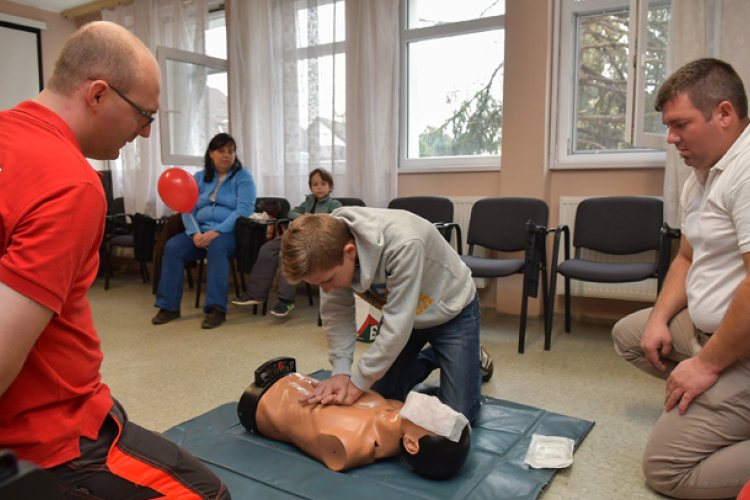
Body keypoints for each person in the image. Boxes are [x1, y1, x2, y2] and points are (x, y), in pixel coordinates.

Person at [0, 21, 230, 500]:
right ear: (98, 95)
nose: (145, 134)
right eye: (144, 116)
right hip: (55, 438)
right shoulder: (71, 183)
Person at [612, 58, 750, 499]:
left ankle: (720, 395)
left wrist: (707, 366)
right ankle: (714, 401)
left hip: (741, 349)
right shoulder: (701, 175)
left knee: (666, 469)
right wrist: (658, 318)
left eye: (680, 124)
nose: (671, 137)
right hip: (707, 330)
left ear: (724, 114)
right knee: (632, 335)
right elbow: (687, 257)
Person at [280, 207, 493, 426]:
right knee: (382, 394)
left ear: (350, 251)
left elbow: (397, 327)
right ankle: (437, 356)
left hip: (452, 311)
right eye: (317, 285)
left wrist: (358, 382)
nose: (325, 290)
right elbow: (337, 316)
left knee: (457, 420)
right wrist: (341, 372)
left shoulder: (404, 243)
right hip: (402, 315)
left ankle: (469, 354)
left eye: (327, 281)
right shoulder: (327, 247)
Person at [238, 364, 471, 478]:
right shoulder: (398, 410)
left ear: (411, 444)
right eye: (446, 410)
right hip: (295, 379)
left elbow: (295, 427)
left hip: (261, 403)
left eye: (436, 418)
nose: (437, 405)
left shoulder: (352, 444)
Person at [152, 132, 256, 329]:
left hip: (229, 234)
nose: (226, 155)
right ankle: (169, 307)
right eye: (221, 151)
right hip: (200, 233)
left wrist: (216, 232)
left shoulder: (243, 176)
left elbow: (244, 210)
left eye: (231, 151)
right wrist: (195, 233)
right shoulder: (199, 178)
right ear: (211, 154)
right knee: (173, 247)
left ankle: (216, 310)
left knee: (217, 247)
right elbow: (186, 208)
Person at [232, 168, 342, 316]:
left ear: (331, 186)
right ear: (311, 187)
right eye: (315, 184)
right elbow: (291, 213)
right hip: (299, 235)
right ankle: (255, 294)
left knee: (286, 252)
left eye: (323, 183)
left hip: (316, 242)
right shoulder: (308, 201)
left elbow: (336, 220)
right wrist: (302, 215)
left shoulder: (335, 204)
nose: (319, 187)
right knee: (267, 249)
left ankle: (286, 300)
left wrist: (314, 218)